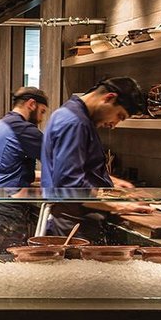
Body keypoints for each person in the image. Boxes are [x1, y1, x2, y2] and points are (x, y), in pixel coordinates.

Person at [40, 76, 149, 239]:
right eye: (119, 116)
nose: (114, 125)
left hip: (72, 219)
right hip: (74, 224)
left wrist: (113, 181)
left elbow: (74, 168)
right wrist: (119, 205)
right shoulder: (75, 122)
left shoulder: (69, 112)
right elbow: (71, 185)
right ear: (109, 98)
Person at [0, 87, 48, 252]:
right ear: (32, 104)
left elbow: (6, 168)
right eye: (42, 112)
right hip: (4, 209)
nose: (42, 118)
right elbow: (59, 160)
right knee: (9, 264)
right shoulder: (22, 129)